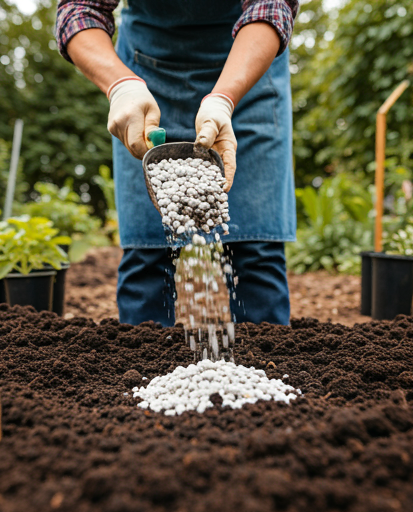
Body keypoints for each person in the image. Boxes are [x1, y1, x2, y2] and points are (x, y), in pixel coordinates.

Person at [56, 0, 299, 327]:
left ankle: (267, 369)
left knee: (255, 252)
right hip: (144, 81)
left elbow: (270, 8)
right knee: (148, 255)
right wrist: (119, 86)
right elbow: (78, 11)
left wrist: (224, 98)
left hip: (249, 77)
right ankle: (143, 372)